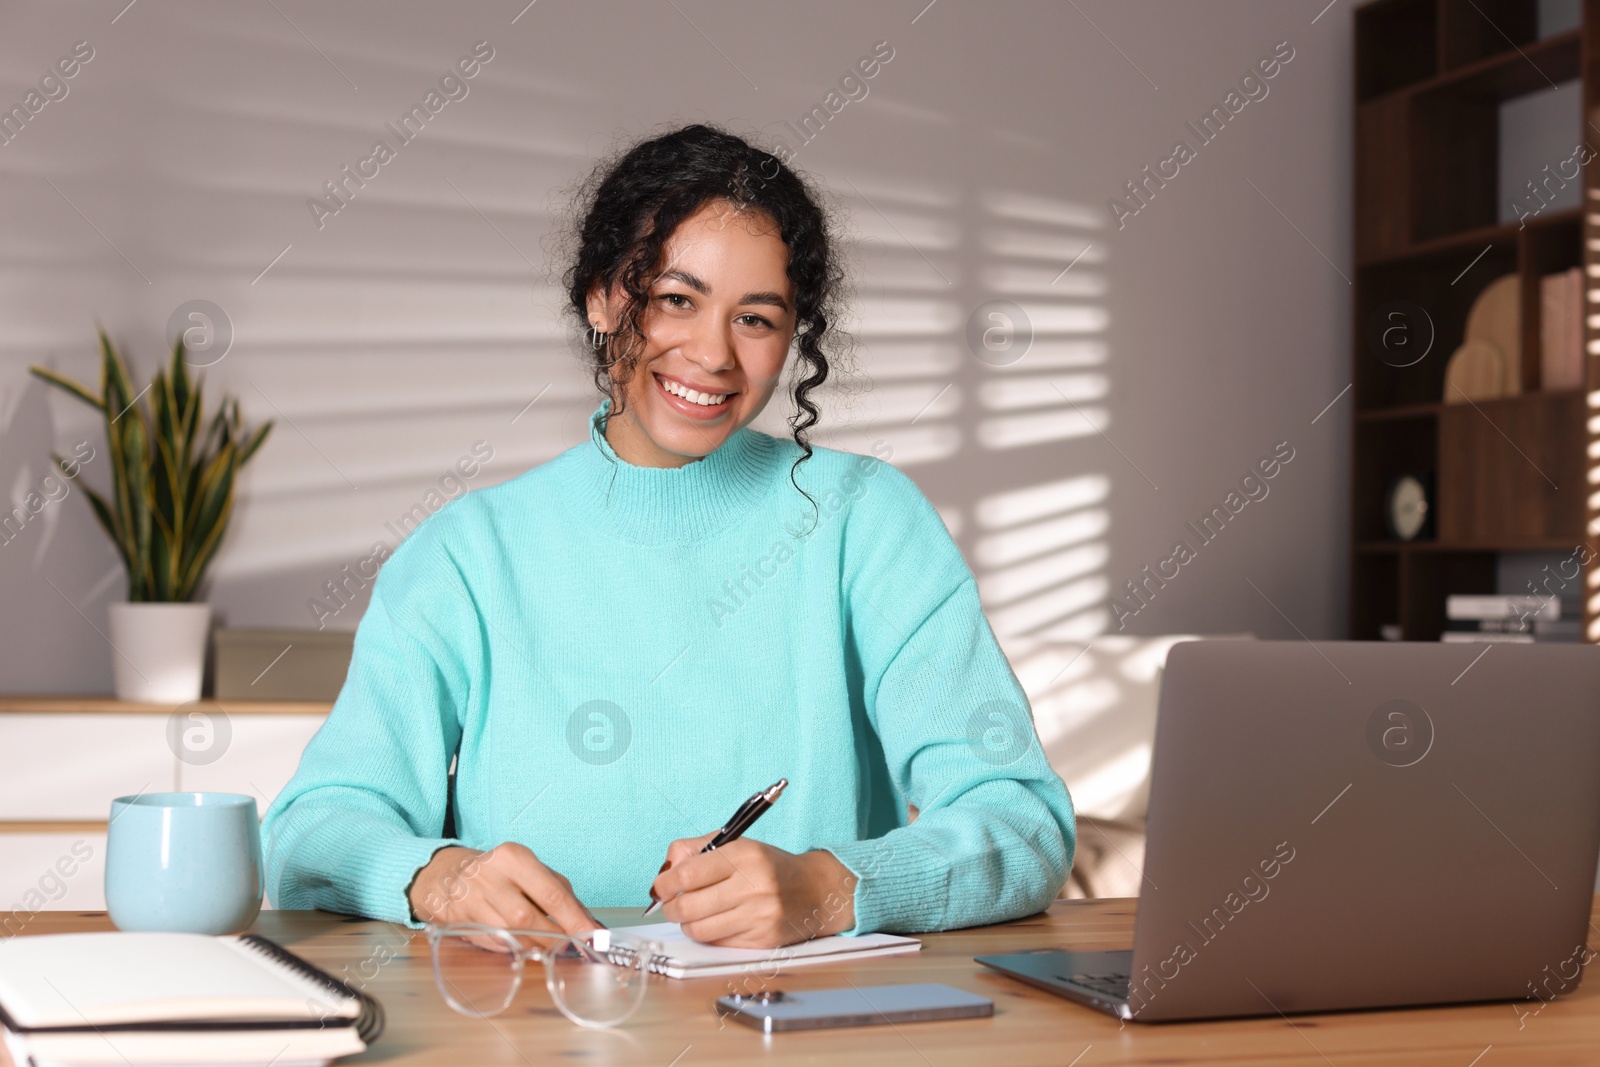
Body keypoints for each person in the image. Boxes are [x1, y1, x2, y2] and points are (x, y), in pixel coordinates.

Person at [261, 123, 1075, 950]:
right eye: (675, 299)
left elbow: (1021, 816)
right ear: (601, 297)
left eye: (755, 318)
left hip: (797, 1025)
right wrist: (441, 878)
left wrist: (833, 887)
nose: (712, 353)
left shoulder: (868, 520)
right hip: (530, 1025)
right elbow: (311, 831)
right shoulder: (466, 554)